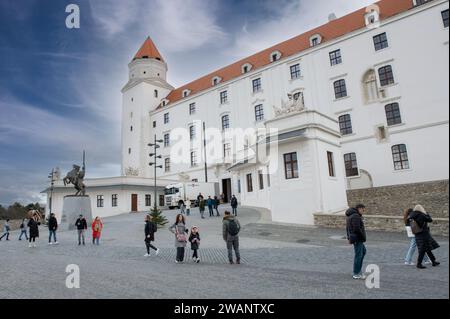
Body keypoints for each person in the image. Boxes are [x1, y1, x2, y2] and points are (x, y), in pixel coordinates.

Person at [408, 205, 440, 269]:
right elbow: (430, 220)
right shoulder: (421, 215)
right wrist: (427, 214)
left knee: (427, 248)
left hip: (417, 233)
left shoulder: (412, 215)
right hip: (423, 234)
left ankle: (433, 261)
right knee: (422, 249)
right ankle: (419, 264)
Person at [346, 204, 367, 280]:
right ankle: (356, 273)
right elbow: (356, 229)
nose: (363, 211)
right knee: (359, 255)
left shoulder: (351, 215)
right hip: (357, 238)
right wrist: (362, 237)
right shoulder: (355, 216)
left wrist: (349, 237)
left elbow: (347, 228)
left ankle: (358, 270)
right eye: (363, 209)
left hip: (355, 238)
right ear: (359, 208)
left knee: (363, 252)